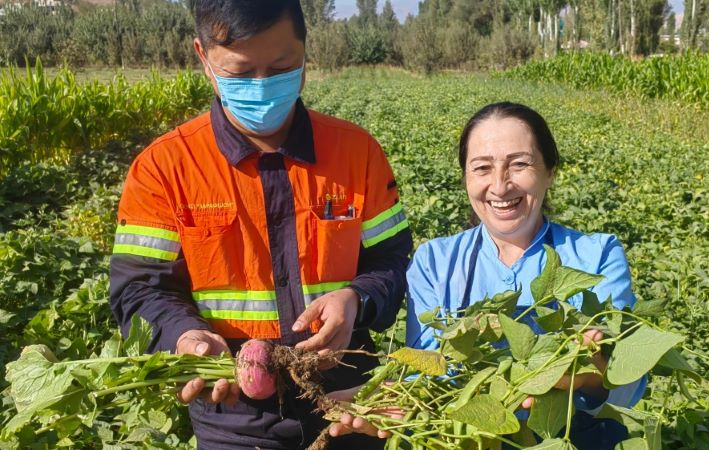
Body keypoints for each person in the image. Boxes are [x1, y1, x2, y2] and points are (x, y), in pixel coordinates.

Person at [108, 1, 412, 449]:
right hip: (232, 416)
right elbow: (138, 289)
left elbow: (393, 261)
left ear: (305, 55)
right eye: (242, 70)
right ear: (203, 58)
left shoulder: (357, 153)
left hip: (350, 401)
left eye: (281, 66)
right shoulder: (164, 167)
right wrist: (182, 335)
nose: (262, 85)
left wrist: (357, 298)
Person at [329, 102, 646, 450]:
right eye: (482, 168)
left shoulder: (597, 255)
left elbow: (626, 382)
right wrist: (404, 397)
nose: (499, 185)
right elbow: (428, 368)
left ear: (550, 171)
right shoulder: (435, 261)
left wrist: (586, 374)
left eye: (519, 164)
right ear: (466, 177)